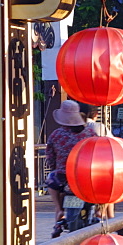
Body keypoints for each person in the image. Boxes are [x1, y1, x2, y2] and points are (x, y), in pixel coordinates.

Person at [45, 100, 96, 235]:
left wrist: (55, 168)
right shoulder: (90, 134)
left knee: (51, 180)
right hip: (85, 176)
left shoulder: (56, 135)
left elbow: (50, 158)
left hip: (62, 177)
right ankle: (100, 211)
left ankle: (59, 210)